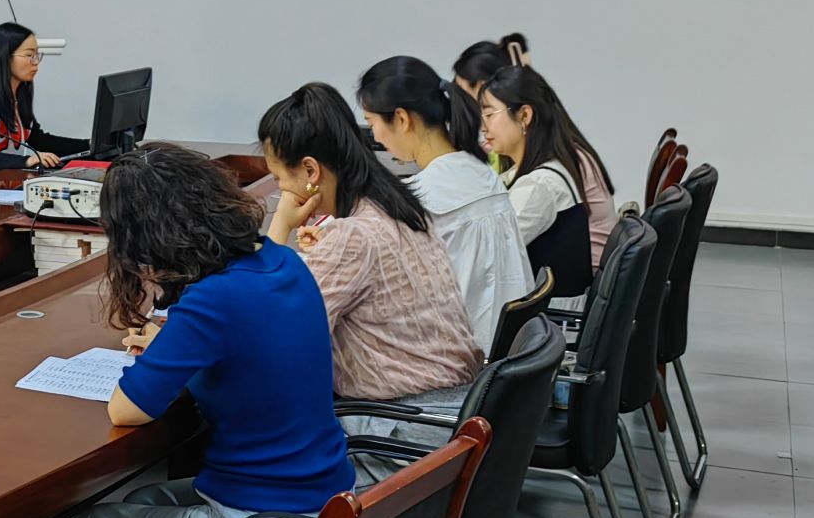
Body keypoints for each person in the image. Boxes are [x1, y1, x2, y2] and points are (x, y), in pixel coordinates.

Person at [19, 145, 353, 518]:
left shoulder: (211, 301)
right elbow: (243, 349)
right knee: (139, 510)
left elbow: (127, 407)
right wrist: (176, 345)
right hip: (322, 507)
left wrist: (166, 347)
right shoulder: (280, 262)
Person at [259, 83, 484, 410]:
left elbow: (276, 336)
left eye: (279, 178)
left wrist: (280, 225)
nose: (281, 189)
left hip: (400, 419)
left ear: (310, 170)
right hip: (452, 404)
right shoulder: (398, 207)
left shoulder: (353, 237)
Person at [356, 56, 532, 352]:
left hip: (452, 363)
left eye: (372, 123)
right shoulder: (483, 175)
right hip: (503, 356)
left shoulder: (419, 200)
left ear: (401, 119)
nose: (375, 136)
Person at [478, 65, 618, 270]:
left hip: (570, 285)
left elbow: (486, 254)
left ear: (524, 115)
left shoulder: (541, 185)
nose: (483, 128)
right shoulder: (562, 157)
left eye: (489, 115)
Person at [0, 21, 86, 172]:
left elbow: (38, 140)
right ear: (6, 56)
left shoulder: (19, 94)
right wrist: (27, 161)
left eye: (37, 55)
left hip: (11, 179)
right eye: (29, 55)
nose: (36, 62)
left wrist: (88, 145)